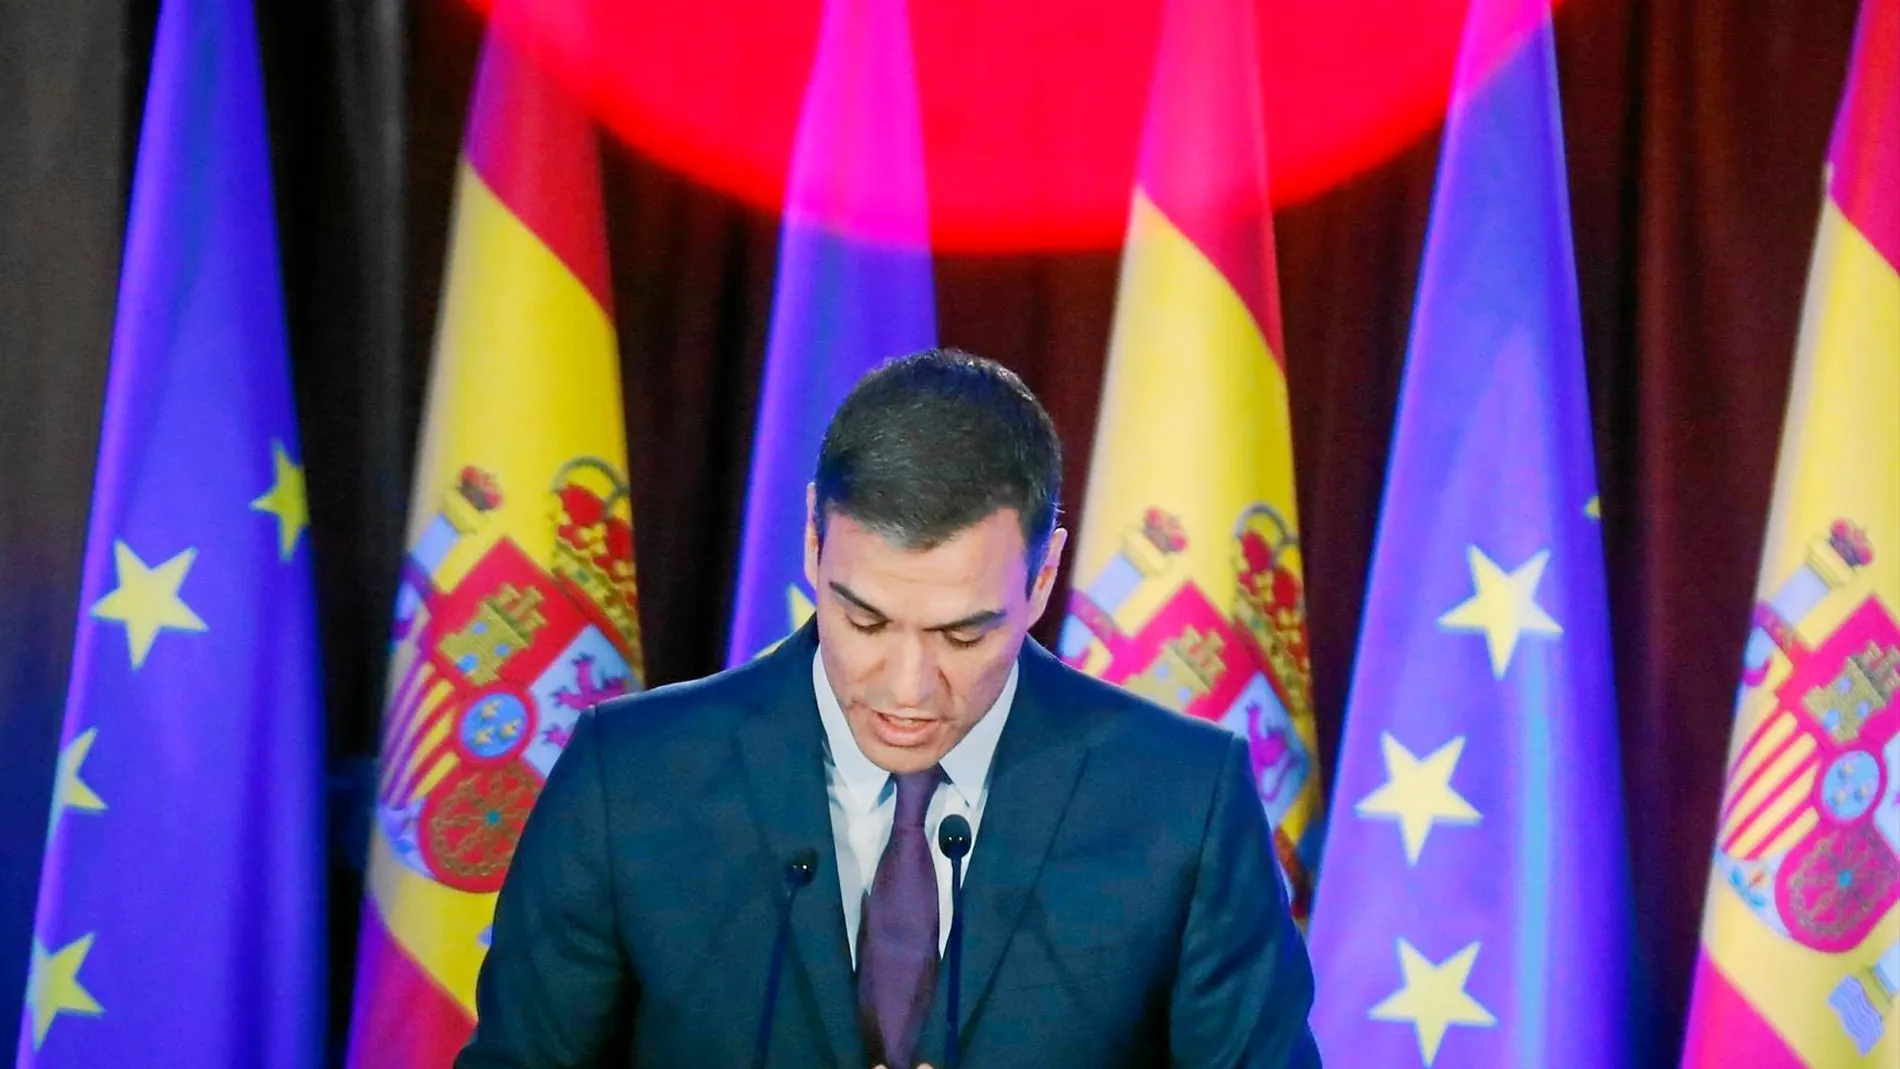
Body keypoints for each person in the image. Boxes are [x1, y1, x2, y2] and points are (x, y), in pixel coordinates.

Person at [456, 349, 1320, 1068]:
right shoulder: (630, 779)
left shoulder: (1183, 799)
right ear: (812, 538)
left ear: (1044, 575)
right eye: (863, 618)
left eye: (963, 633)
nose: (907, 687)